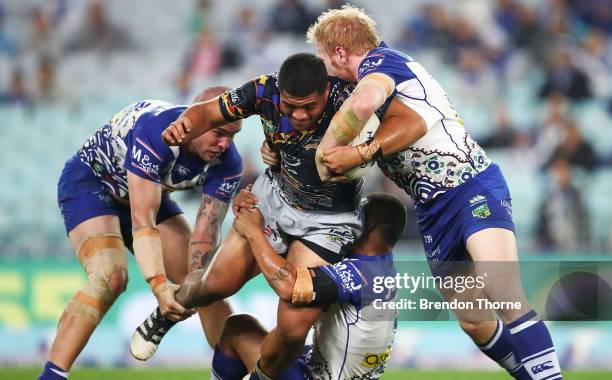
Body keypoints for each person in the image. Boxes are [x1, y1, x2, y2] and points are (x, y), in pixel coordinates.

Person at [307, 5, 582, 380]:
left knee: (504, 294)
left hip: (472, 186)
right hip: (434, 209)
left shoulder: (382, 63)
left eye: (326, 60)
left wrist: (338, 153)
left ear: (341, 52)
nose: (326, 70)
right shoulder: (364, 81)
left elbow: (369, 103)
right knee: (474, 320)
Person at [130, 53, 414, 360]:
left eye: (309, 106)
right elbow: (208, 112)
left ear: (324, 91)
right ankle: (166, 314)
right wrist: (185, 123)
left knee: (293, 325)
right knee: (214, 285)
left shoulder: (350, 96)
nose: (300, 114)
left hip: (329, 222)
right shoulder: (263, 90)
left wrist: (364, 152)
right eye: (290, 106)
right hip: (273, 200)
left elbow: (412, 120)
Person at [18, 88, 242, 380]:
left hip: (144, 193)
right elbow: (143, 222)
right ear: (196, 119)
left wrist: (194, 283)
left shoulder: (228, 163)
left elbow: (205, 238)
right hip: (92, 185)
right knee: (111, 276)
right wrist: (159, 286)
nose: (225, 144)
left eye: (232, 135)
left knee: (208, 285)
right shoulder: (160, 132)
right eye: (219, 133)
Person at [168, 192, 405, 380]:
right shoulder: (384, 270)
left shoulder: (357, 274)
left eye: (357, 214)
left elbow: (289, 286)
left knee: (237, 327)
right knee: (289, 341)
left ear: (369, 224)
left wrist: (252, 232)